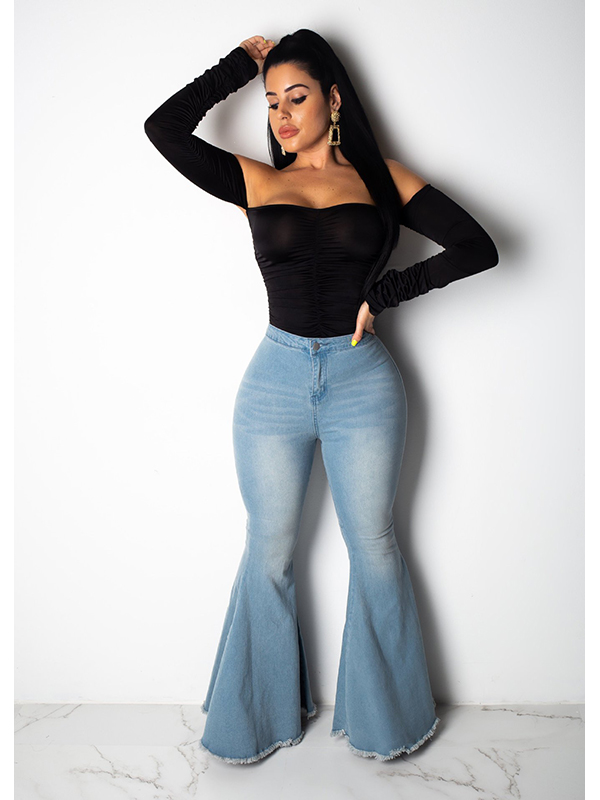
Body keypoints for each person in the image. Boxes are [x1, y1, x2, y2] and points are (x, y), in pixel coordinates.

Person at [144, 29, 499, 765]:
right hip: (272, 385)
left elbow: (477, 247)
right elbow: (163, 129)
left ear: (334, 100)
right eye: (272, 102)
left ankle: (386, 722)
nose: (281, 115)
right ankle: (257, 718)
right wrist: (237, 68)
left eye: (296, 97)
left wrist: (388, 292)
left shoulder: (383, 180)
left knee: (374, 546)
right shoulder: (254, 180)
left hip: (362, 384)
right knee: (268, 550)